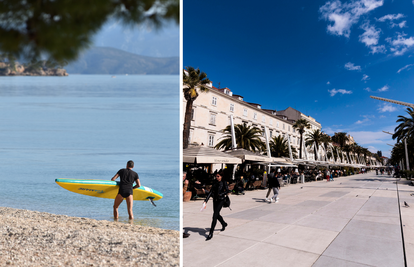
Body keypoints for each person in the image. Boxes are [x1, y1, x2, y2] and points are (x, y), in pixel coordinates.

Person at [204, 170, 229, 241]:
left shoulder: (224, 182)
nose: (216, 177)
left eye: (218, 176)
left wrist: (221, 194)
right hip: (215, 200)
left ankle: (210, 233)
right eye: (216, 176)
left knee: (214, 216)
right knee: (217, 214)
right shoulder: (215, 183)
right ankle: (224, 223)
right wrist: (206, 200)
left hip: (221, 200)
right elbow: (211, 192)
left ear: (221, 176)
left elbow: (227, 191)